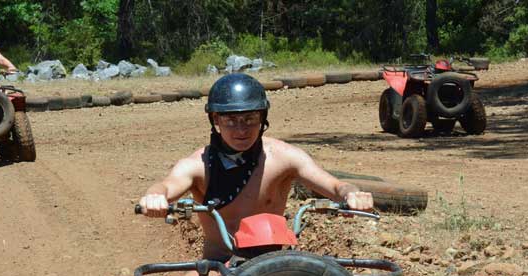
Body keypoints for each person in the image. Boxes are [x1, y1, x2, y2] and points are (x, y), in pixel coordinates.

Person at [138, 72, 373, 261]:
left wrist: (352, 194)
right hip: (215, 268)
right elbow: (165, 186)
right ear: (216, 120)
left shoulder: (284, 157)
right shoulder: (197, 166)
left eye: (250, 119)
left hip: (270, 268)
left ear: (262, 118)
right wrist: (154, 197)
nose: (241, 130)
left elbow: (335, 185)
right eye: (231, 120)